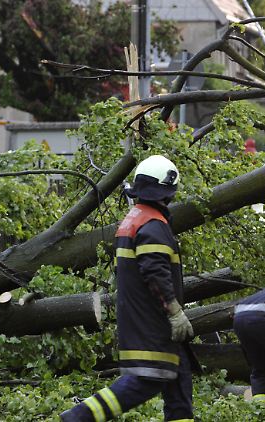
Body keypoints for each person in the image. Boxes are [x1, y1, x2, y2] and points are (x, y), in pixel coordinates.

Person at [61, 155, 195, 422]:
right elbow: (156, 274)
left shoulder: (137, 218)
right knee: (145, 381)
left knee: (179, 378)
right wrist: (174, 311)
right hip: (152, 322)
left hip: (144, 320)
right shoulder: (153, 225)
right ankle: (78, 417)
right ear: (168, 190)